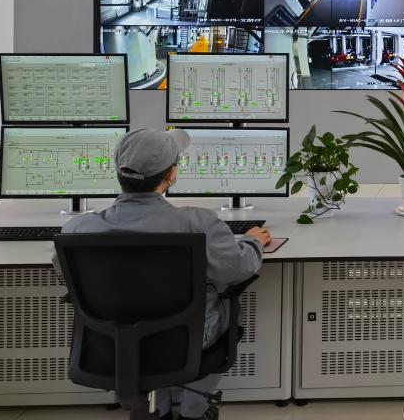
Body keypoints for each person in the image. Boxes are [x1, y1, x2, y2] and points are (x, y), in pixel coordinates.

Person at [56, 128, 272, 420]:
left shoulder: (78, 230)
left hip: (112, 340)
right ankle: (193, 408)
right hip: (185, 339)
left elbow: (65, 273)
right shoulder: (198, 223)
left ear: (118, 172)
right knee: (226, 305)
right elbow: (238, 268)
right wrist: (252, 241)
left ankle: (160, 407)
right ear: (171, 175)